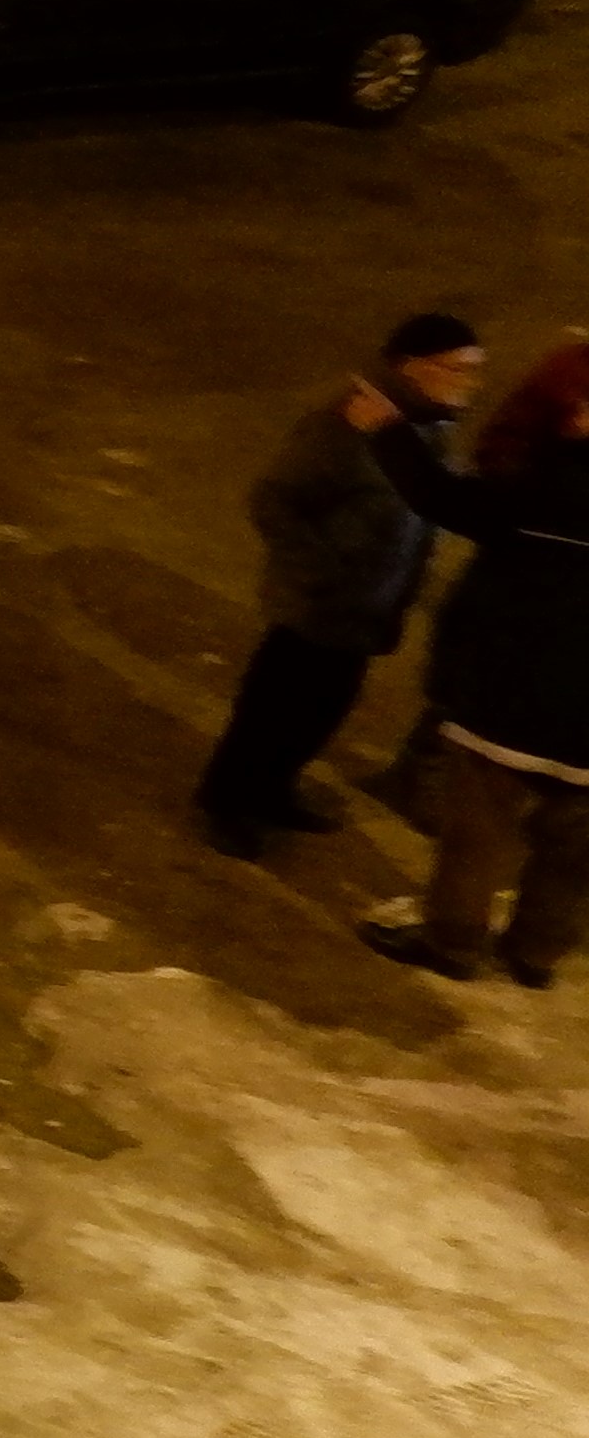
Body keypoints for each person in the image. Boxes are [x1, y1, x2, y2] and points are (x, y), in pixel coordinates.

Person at [201, 312, 485, 857]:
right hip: (315, 606)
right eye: (457, 369)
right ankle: (228, 803)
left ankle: (274, 791)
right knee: (271, 710)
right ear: (411, 366)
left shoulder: (433, 427)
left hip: (367, 610)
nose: (470, 383)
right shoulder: (339, 427)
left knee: (321, 710)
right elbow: (274, 501)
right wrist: (320, 574)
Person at [342, 376, 589, 983]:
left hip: (513, 696)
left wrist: (389, 430)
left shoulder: (549, 487)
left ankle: (452, 943)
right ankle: (535, 955)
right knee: (574, 851)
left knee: (479, 832)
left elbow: (443, 498)